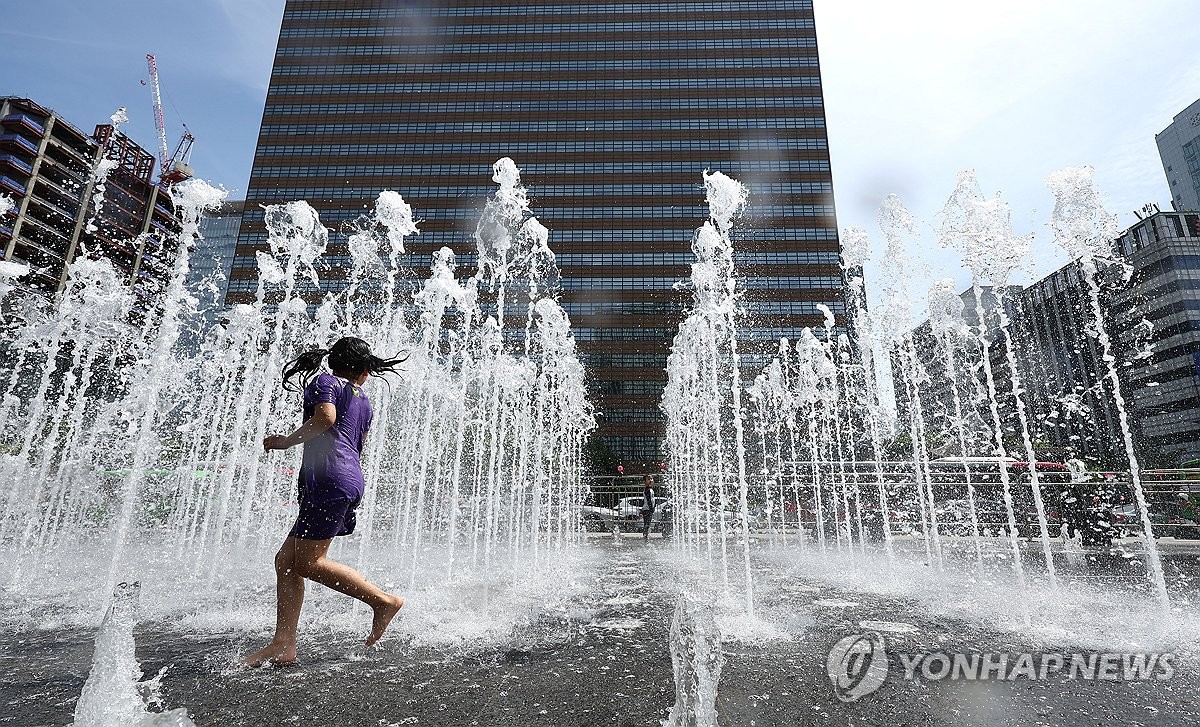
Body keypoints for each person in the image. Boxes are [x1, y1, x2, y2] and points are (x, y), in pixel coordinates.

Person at [244, 337, 407, 667]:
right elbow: (354, 442)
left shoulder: (325, 381)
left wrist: (286, 441)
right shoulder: (364, 401)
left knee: (309, 562)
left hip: (330, 479)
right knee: (286, 561)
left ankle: (382, 601)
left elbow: (326, 419)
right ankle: (283, 643)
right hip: (342, 478)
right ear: (363, 371)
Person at [641, 474, 657, 540]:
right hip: (647, 509)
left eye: (651, 479)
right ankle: (645, 537)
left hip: (648, 509)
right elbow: (649, 500)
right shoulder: (647, 490)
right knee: (647, 524)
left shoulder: (650, 489)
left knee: (648, 523)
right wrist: (651, 508)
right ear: (644, 482)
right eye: (648, 479)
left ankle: (646, 536)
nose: (650, 480)